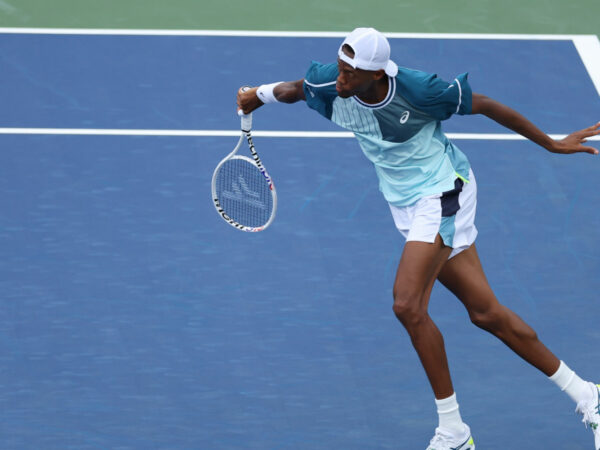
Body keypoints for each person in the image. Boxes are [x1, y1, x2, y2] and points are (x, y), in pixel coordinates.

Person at [236, 27, 600, 450]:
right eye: (340, 68)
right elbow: (297, 88)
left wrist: (551, 144)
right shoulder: (329, 84)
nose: (340, 80)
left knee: (407, 304)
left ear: (377, 75)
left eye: (351, 74)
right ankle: (587, 394)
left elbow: (484, 105)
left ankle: (453, 431)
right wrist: (256, 95)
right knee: (485, 313)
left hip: (443, 192)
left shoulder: (419, 91)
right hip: (405, 205)